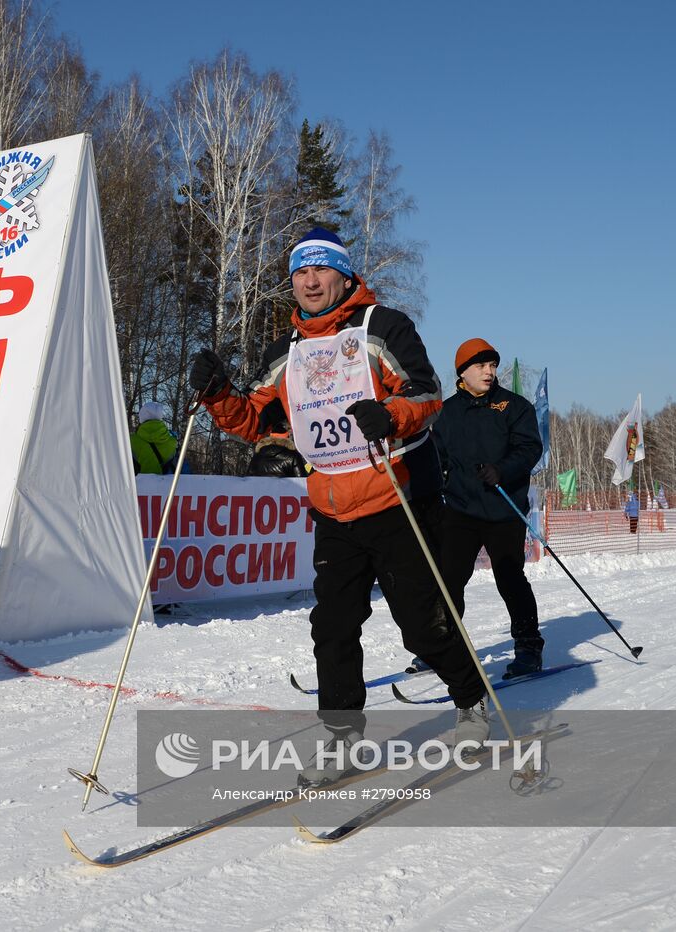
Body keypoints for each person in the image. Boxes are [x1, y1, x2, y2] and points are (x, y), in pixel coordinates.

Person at [190, 227, 487, 781]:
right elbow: (256, 418)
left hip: (395, 496)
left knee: (421, 626)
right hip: (332, 506)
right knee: (332, 626)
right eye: (300, 272)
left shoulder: (384, 327)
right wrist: (216, 395)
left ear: (344, 275)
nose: (309, 281)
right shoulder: (289, 351)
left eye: (320, 270)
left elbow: (425, 392)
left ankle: (470, 698)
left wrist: (389, 414)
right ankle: (343, 738)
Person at [431, 339, 546, 679]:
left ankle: (528, 647)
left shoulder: (514, 406)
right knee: (449, 578)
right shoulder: (447, 412)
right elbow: (435, 456)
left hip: (503, 509)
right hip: (461, 510)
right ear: (462, 372)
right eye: (480, 366)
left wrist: (503, 469)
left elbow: (529, 448)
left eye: (492, 365)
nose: (489, 371)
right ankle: (443, 647)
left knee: (509, 577)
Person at [130, 402, 180, 474]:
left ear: (142, 417)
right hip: (169, 484)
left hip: (139, 484)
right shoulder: (173, 441)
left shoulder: (131, 441)